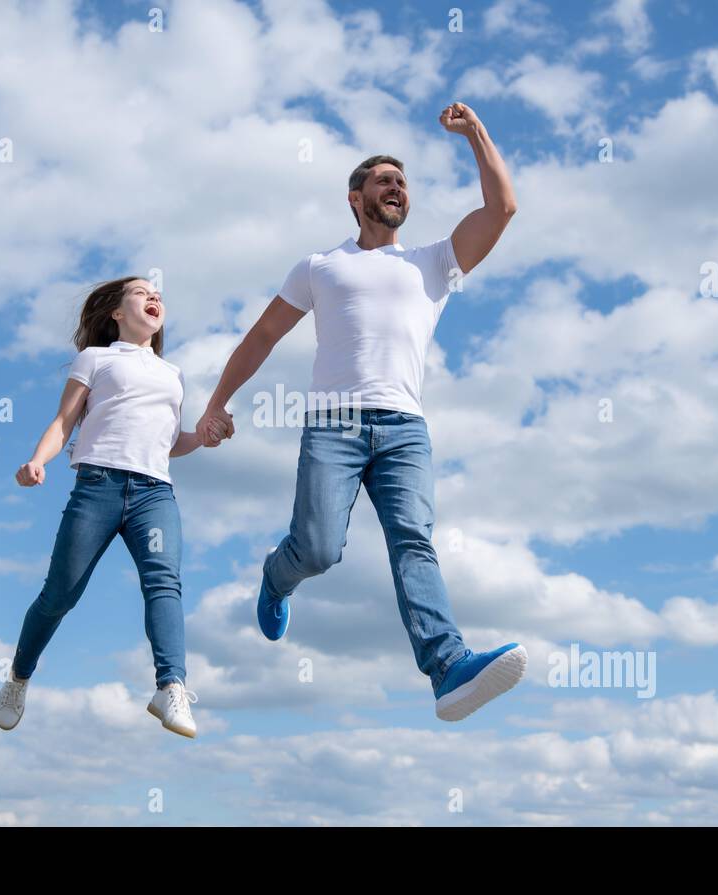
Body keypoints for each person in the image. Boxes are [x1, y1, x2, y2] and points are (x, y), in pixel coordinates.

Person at [198, 102, 526, 721]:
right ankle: (277, 576)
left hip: (404, 428)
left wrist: (477, 132)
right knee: (320, 549)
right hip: (334, 427)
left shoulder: (433, 261)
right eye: (383, 179)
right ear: (355, 197)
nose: (396, 186)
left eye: (402, 181)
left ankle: (449, 667)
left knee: (413, 542)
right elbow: (263, 336)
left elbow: (501, 208)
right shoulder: (321, 266)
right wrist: (217, 405)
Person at [0, 276, 232, 738]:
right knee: (59, 595)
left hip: (154, 493)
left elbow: (168, 443)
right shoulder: (96, 359)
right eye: (142, 293)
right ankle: (20, 675)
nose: (154, 297)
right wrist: (36, 462)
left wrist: (203, 438)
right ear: (117, 314)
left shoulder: (173, 373)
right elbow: (65, 421)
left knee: (164, 583)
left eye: (159, 294)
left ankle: (171, 686)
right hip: (98, 486)